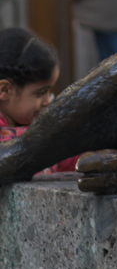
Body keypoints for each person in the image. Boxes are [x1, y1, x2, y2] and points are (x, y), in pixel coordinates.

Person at [0, 27, 78, 172]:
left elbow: (64, 157)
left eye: (49, 92)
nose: (47, 101)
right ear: (5, 90)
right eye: (40, 93)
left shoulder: (38, 125)